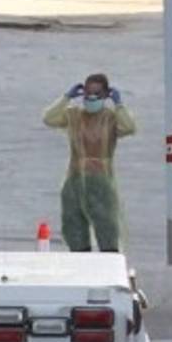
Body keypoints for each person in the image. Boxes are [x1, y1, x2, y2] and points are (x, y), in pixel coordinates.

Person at [42, 73, 136, 252]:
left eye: (97, 94)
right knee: (73, 227)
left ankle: (109, 260)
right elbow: (48, 118)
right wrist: (66, 98)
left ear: (106, 94)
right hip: (74, 180)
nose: (91, 98)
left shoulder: (111, 118)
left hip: (101, 182)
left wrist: (119, 105)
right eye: (88, 93)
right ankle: (80, 259)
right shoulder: (74, 115)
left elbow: (130, 127)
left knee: (107, 227)